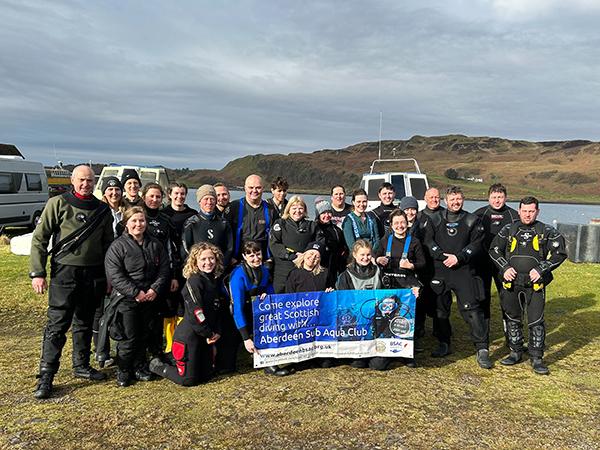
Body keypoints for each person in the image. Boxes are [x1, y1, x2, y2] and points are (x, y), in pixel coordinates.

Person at [30, 165, 114, 399]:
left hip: (94, 274)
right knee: (57, 324)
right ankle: (46, 375)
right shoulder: (58, 203)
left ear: (94, 182)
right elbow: (39, 238)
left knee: (85, 322)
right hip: (65, 273)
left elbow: (109, 246)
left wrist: (109, 277)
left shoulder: (102, 210)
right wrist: (38, 272)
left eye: (89, 180)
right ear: (72, 180)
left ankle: (81, 365)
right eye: (81, 180)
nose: (85, 184)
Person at [489, 197, 566, 375]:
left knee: (536, 320)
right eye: (524, 211)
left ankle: (536, 357)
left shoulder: (546, 231)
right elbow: (493, 250)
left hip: (535, 283)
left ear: (537, 211)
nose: (527, 214)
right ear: (519, 210)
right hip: (511, 281)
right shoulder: (509, 229)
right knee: (513, 318)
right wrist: (505, 267)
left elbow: (559, 253)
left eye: (531, 211)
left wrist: (542, 268)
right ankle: (515, 352)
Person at [423, 186, 492, 369]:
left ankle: (482, 348)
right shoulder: (435, 219)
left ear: (463, 199)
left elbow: (477, 244)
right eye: (452, 199)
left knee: (472, 309)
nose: (455, 202)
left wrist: (459, 257)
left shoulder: (471, 220)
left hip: (463, 270)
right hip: (441, 270)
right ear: (446, 200)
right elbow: (428, 241)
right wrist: (442, 256)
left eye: (459, 199)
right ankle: (444, 343)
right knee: (441, 310)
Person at [104, 206, 170, 386]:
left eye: (141, 220)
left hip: (150, 297)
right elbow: (115, 274)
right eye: (134, 221)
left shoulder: (155, 244)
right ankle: (124, 370)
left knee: (145, 334)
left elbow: (164, 269)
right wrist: (135, 293)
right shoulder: (118, 246)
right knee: (129, 337)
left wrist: (154, 289)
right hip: (127, 300)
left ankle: (140, 367)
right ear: (126, 223)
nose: (138, 224)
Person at [149, 243, 224, 386]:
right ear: (195, 262)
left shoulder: (213, 280)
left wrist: (217, 331)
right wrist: (209, 333)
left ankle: (174, 359)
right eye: (203, 259)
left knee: (207, 375)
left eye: (211, 258)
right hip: (189, 336)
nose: (208, 262)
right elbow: (197, 313)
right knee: (188, 380)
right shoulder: (194, 281)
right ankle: (157, 365)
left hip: (205, 336)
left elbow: (217, 309)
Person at [228, 241, 290, 376]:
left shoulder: (264, 270)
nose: (256, 259)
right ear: (244, 257)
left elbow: (271, 292)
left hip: (255, 308)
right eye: (251, 256)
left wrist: (267, 295)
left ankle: (270, 364)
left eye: (258, 254)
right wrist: (245, 338)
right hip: (238, 311)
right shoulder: (238, 275)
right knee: (228, 365)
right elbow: (237, 308)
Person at [374, 209, 425, 367]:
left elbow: (423, 263)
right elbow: (374, 257)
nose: (400, 226)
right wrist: (378, 259)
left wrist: (411, 265)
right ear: (391, 224)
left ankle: (407, 353)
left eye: (402, 222)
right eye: (396, 223)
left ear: (407, 223)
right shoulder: (385, 241)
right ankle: (388, 349)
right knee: (388, 316)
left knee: (406, 318)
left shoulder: (414, 242)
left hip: (407, 287)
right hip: (389, 286)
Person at [140, 183, 181, 360]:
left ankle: (156, 352)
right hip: (139, 275)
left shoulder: (166, 220)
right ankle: (138, 354)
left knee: (157, 316)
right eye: (151, 196)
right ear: (144, 197)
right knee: (139, 317)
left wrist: (173, 276)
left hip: (161, 274)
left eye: (158, 197)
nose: (155, 200)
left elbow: (172, 250)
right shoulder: (137, 216)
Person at [336, 239, 387, 370]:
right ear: (354, 255)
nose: (365, 258)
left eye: (368, 255)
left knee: (378, 366)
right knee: (358, 364)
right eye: (362, 255)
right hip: (356, 324)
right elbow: (343, 303)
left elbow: (389, 294)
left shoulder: (379, 271)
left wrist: (412, 290)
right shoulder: (345, 276)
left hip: (376, 323)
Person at [474, 184, 519, 331]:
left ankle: (511, 335)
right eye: (494, 197)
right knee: (483, 298)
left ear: (505, 198)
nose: (497, 200)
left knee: (507, 299)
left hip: (505, 265)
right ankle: (483, 336)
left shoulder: (514, 216)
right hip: (483, 263)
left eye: (500, 197)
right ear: (488, 198)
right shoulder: (479, 215)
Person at [269, 196, 321, 293]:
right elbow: (274, 245)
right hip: (283, 270)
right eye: (294, 208)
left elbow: (319, 243)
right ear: (288, 209)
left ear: (305, 210)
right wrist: (291, 256)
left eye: (300, 208)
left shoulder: (312, 226)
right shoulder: (280, 224)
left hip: (304, 270)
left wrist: (306, 256)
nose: (297, 211)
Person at [226, 174, 279, 262]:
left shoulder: (271, 210)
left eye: (258, 187)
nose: (254, 191)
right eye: (251, 187)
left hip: (262, 259)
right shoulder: (234, 207)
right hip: (237, 259)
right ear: (245, 188)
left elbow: (276, 237)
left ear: (263, 188)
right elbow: (226, 234)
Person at [182, 184, 233, 266]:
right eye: (206, 199)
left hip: (219, 269)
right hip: (198, 269)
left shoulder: (223, 223)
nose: (209, 202)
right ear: (199, 201)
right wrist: (196, 265)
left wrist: (221, 265)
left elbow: (229, 248)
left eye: (212, 199)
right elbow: (185, 249)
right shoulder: (191, 223)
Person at [314, 196, 348, 288]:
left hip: (334, 265)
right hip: (320, 265)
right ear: (318, 215)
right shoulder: (314, 228)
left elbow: (343, 246)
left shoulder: (336, 229)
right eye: (323, 213)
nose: (327, 215)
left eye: (329, 212)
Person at [342, 189, 380, 253]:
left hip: (372, 254)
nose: (362, 204)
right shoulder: (348, 220)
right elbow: (351, 245)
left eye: (364, 201)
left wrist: (371, 254)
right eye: (358, 201)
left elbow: (377, 240)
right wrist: (363, 256)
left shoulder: (372, 218)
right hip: (357, 255)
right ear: (353, 202)